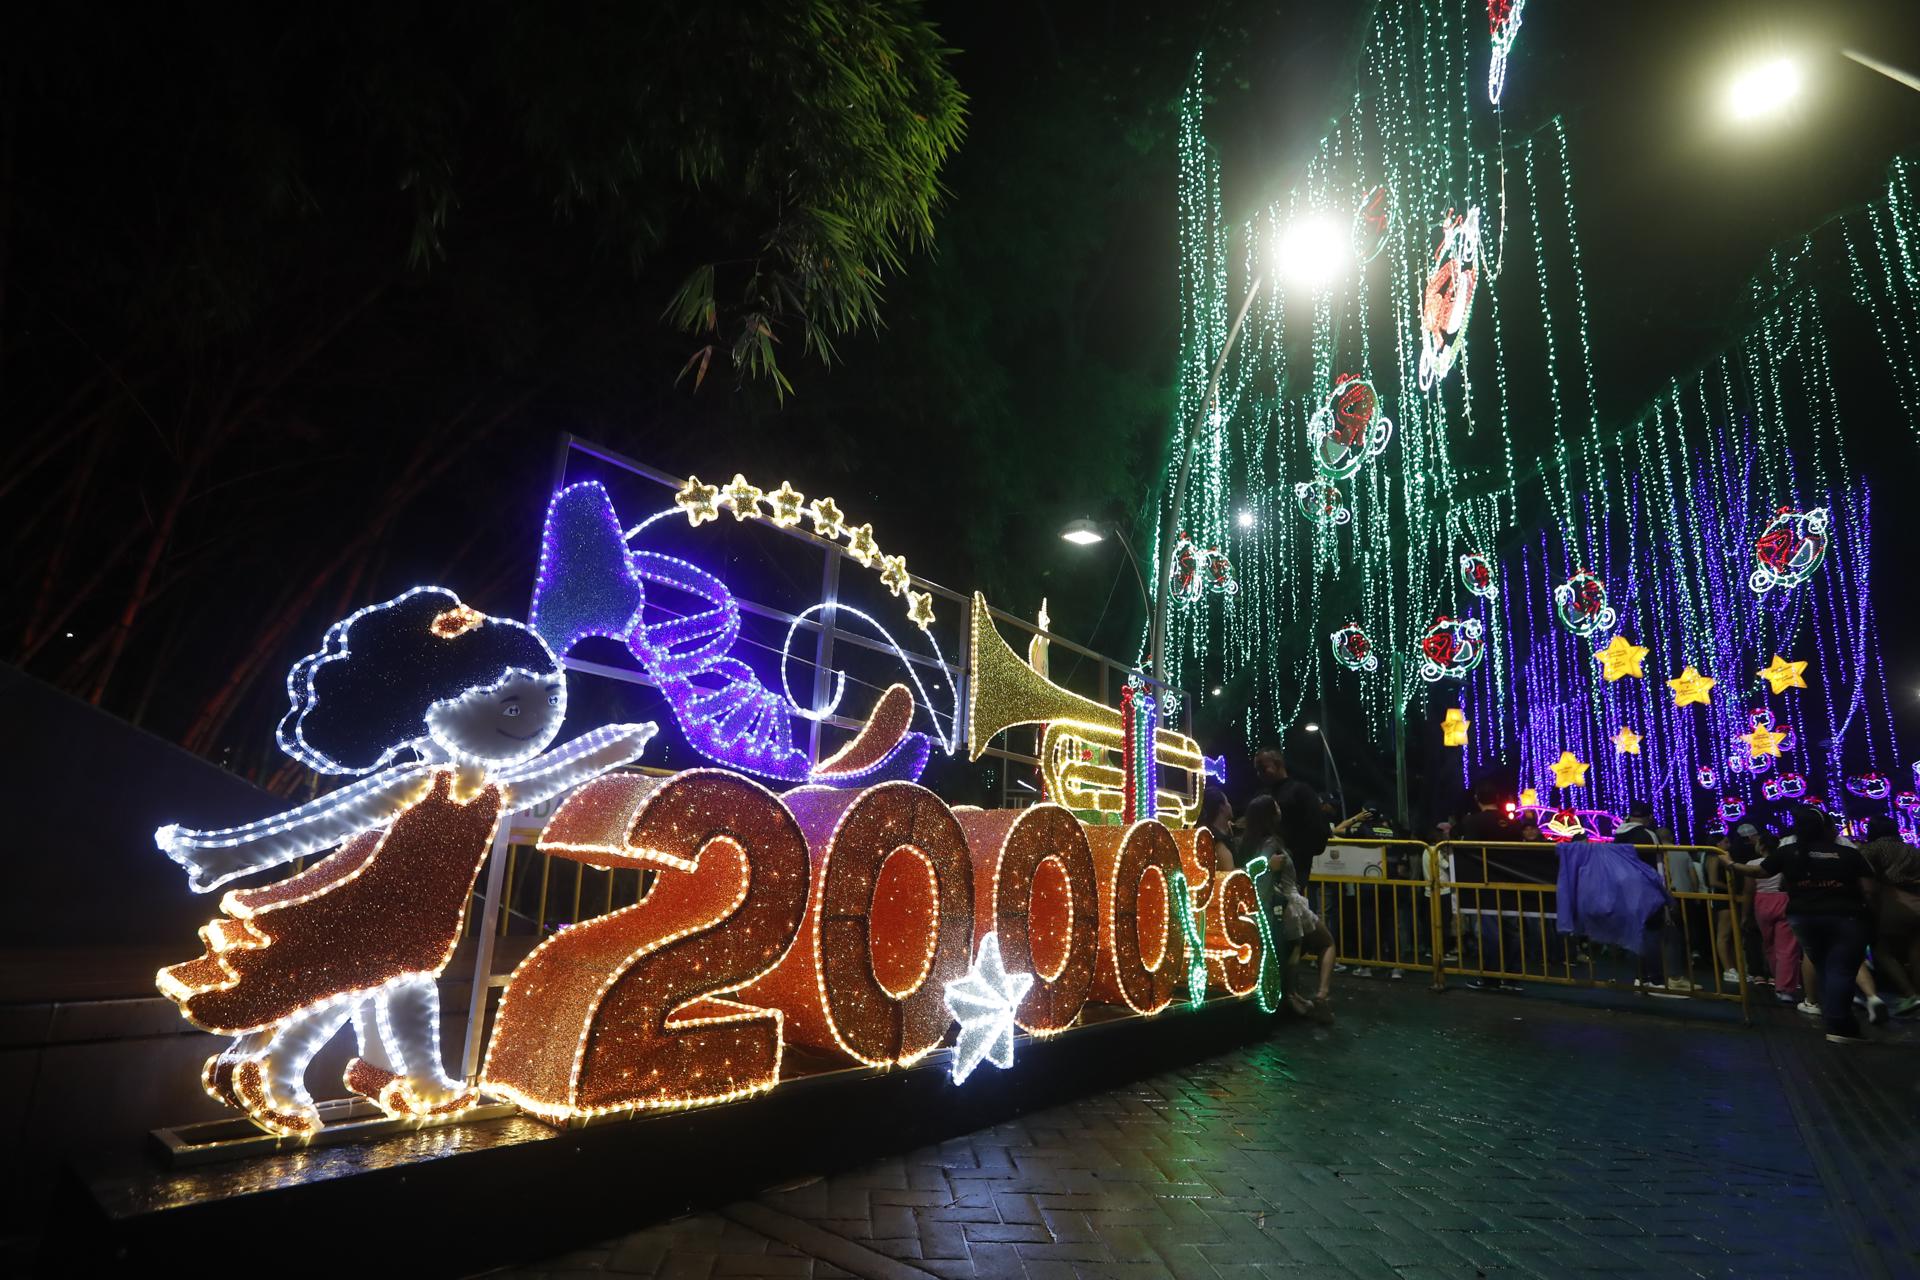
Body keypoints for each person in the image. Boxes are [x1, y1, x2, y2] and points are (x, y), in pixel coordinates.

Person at [156, 587, 658, 1135]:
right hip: (370, 904)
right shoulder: (418, 782)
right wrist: (225, 854)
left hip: (422, 918)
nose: (533, 724)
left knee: (394, 988)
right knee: (340, 992)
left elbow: (543, 777)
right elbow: (322, 824)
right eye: (512, 706)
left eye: (546, 703)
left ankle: (377, 1073)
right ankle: (275, 1069)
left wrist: (604, 750)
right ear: (435, 708)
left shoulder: (488, 790)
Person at [1726, 805, 1876, 1043]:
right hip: (1845, 916)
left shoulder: (1790, 852)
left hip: (1803, 917)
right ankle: (1840, 1024)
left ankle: (1831, 1013)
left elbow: (1759, 873)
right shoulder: (1848, 853)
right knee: (1841, 968)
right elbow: (1868, 890)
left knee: (1824, 966)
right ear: (1827, 829)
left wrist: (1730, 864)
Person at [1243, 795, 1334, 1020]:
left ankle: (1292, 993)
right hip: (1289, 901)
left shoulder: (1255, 840)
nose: (1279, 808)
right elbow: (1255, 868)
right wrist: (1268, 865)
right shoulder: (1271, 843)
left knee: (1295, 948)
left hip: (1283, 901)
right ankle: (1320, 994)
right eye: (1275, 806)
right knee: (1326, 943)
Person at [1451, 780, 1525, 991]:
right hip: (1512, 882)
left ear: (1477, 799)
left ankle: (1490, 976)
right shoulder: (1512, 822)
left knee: (1489, 931)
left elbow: (1470, 850)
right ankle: (1512, 978)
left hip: (1485, 883)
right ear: (1498, 799)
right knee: (1512, 929)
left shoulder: (1473, 822)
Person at [1614, 801, 1690, 994]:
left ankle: (1640, 978)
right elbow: (1658, 865)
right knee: (1652, 934)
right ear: (1648, 817)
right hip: (1647, 890)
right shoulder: (1648, 835)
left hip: (1625, 891)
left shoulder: (1618, 835)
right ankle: (1656, 980)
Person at [1859, 817, 1920, 1013]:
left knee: (1880, 949)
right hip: (1917, 901)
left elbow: (1865, 881)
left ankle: (1909, 994)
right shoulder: (1913, 850)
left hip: (1891, 903)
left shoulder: (1871, 849)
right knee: (1916, 949)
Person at [1253, 748, 1332, 888]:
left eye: (1263, 768)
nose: (1260, 774)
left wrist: (1293, 854)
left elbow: (1320, 830)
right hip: (1266, 866)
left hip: (1293, 868)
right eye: (1258, 769)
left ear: (1278, 764)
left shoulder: (1301, 792)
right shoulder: (1262, 795)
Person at [1199, 787, 1238, 871]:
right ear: (1221, 807)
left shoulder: (1210, 832)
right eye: (1227, 802)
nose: (1230, 806)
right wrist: (1259, 868)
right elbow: (1230, 873)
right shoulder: (1216, 840)